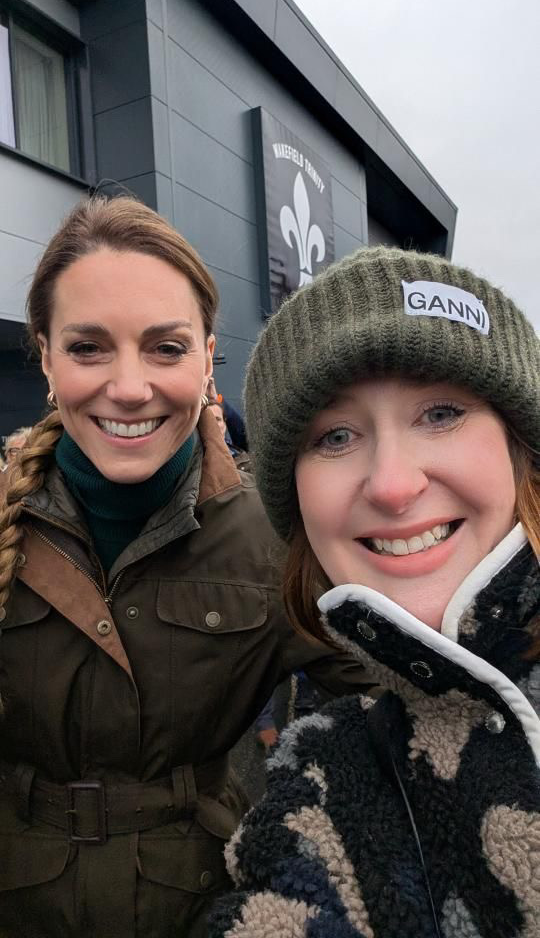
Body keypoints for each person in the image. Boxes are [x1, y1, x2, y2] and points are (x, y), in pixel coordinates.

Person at [0, 196, 376, 938]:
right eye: (89, 348)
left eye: (166, 348)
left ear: (208, 356)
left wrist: (308, 873)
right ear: (45, 356)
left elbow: (381, 718)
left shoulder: (277, 536)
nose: (131, 387)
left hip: (207, 904)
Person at [210, 246, 540, 937]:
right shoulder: (328, 784)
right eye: (334, 436)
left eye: (441, 412)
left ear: (521, 447)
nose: (393, 483)